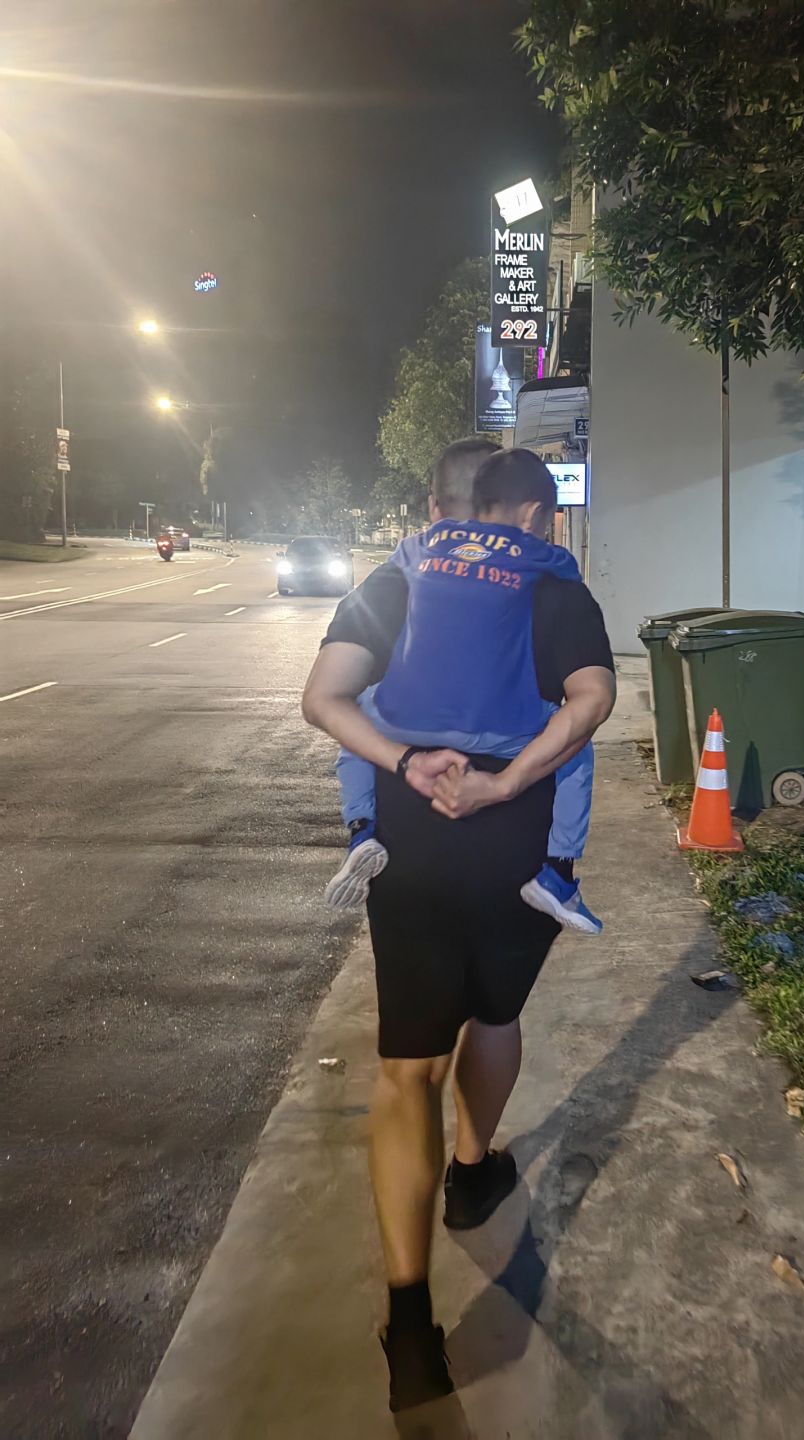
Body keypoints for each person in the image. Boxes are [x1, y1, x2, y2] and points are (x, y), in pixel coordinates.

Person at [301, 445, 615, 1413]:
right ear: (526, 512)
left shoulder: (396, 577)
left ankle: (409, 1329)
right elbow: (592, 700)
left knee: (406, 1068)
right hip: (511, 839)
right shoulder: (551, 584)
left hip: (412, 838)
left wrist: (406, 765)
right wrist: (506, 782)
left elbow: (323, 699)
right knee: (495, 1013)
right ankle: (473, 1173)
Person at [324, 451, 601, 935]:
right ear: (534, 514)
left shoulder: (421, 546)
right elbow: (568, 573)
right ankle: (559, 871)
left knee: (353, 718)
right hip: (501, 736)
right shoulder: (536, 553)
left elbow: (321, 698)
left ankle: (360, 830)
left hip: (400, 725)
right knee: (577, 747)